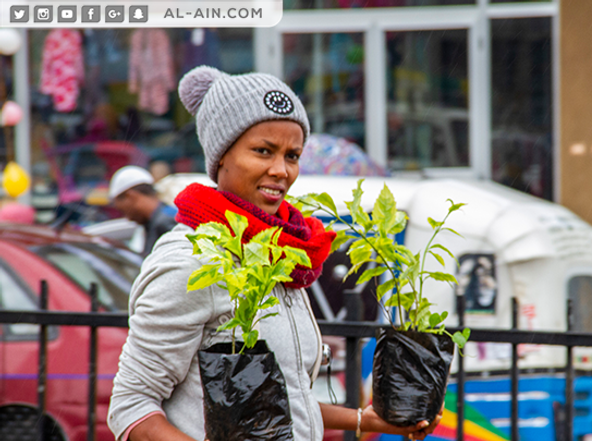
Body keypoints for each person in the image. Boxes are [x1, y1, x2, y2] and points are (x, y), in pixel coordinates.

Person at [107, 66, 441, 441]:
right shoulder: (193, 259)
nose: (281, 170)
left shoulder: (280, 253)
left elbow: (271, 405)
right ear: (221, 157)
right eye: (263, 151)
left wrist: (364, 420)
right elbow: (131, 406)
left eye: (292, 155)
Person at [108, 165, 177, 257]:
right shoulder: (157, 220)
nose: (128, 218)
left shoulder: (166, 223)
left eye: (123, 211)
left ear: (131, 196)